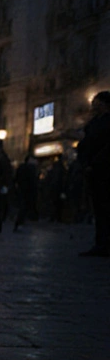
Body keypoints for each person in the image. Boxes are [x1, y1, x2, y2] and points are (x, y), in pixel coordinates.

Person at [77, 90, 110, 256]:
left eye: (97, 102)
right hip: (93, 171)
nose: (94, 105)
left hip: (104, 170)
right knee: (98, 209)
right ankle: (101, 243)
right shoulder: (92, 123)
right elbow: (84, 144)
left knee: (105, 207)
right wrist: (84, 162)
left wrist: (95, 163)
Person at [12, 154, 39, 232]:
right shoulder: (31, 168)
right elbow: (33, 181)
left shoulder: (21, 167)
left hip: (22, 190)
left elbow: (16, 178)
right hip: (28, 191)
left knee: (23, 207)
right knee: (24, 207)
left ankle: (20, 222)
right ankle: (20, 222)